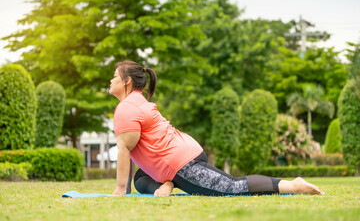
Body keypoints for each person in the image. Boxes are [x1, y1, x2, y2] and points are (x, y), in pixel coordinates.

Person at [109, 60, 325, 197]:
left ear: (127, 81)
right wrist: (125, 187)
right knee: (140, 179)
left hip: (182, 163)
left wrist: (120, 190)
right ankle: (167, 182)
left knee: (233, 186)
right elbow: (128, 153)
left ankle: (293, 185)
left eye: (115, 77)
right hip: (181, 153)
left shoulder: (126, 107)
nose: (110, 80)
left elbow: (124, 150)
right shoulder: (136, 102)